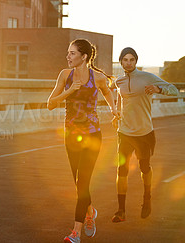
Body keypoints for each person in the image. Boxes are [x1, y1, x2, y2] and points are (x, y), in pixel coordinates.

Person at [47, 38, 118, 242]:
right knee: (78, 184)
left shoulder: (98, 78)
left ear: (84, 56)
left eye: (72, 53)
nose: (67, 56)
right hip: (71, 135)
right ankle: (90, 211)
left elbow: (107, 92)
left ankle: (75, 233)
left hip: (92, 135)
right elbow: (50, 104)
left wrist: (114, 109)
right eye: (68, 53)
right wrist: (70, 91)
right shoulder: (64, 75)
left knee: (83, 181)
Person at [111, 47, 179, 223]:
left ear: (136, 61)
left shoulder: (147, 77)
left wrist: (158, 88)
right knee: (121, 170)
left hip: (144, 132)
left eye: (131, 59)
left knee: (144, 168)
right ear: (121, 61)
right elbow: (120, 99)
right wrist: (116, 114)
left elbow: (174, 90)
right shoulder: (119, 81)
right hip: (124, 132)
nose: (128, 63)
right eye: (125, 60)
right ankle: (121, 210)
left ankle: (147, 198)